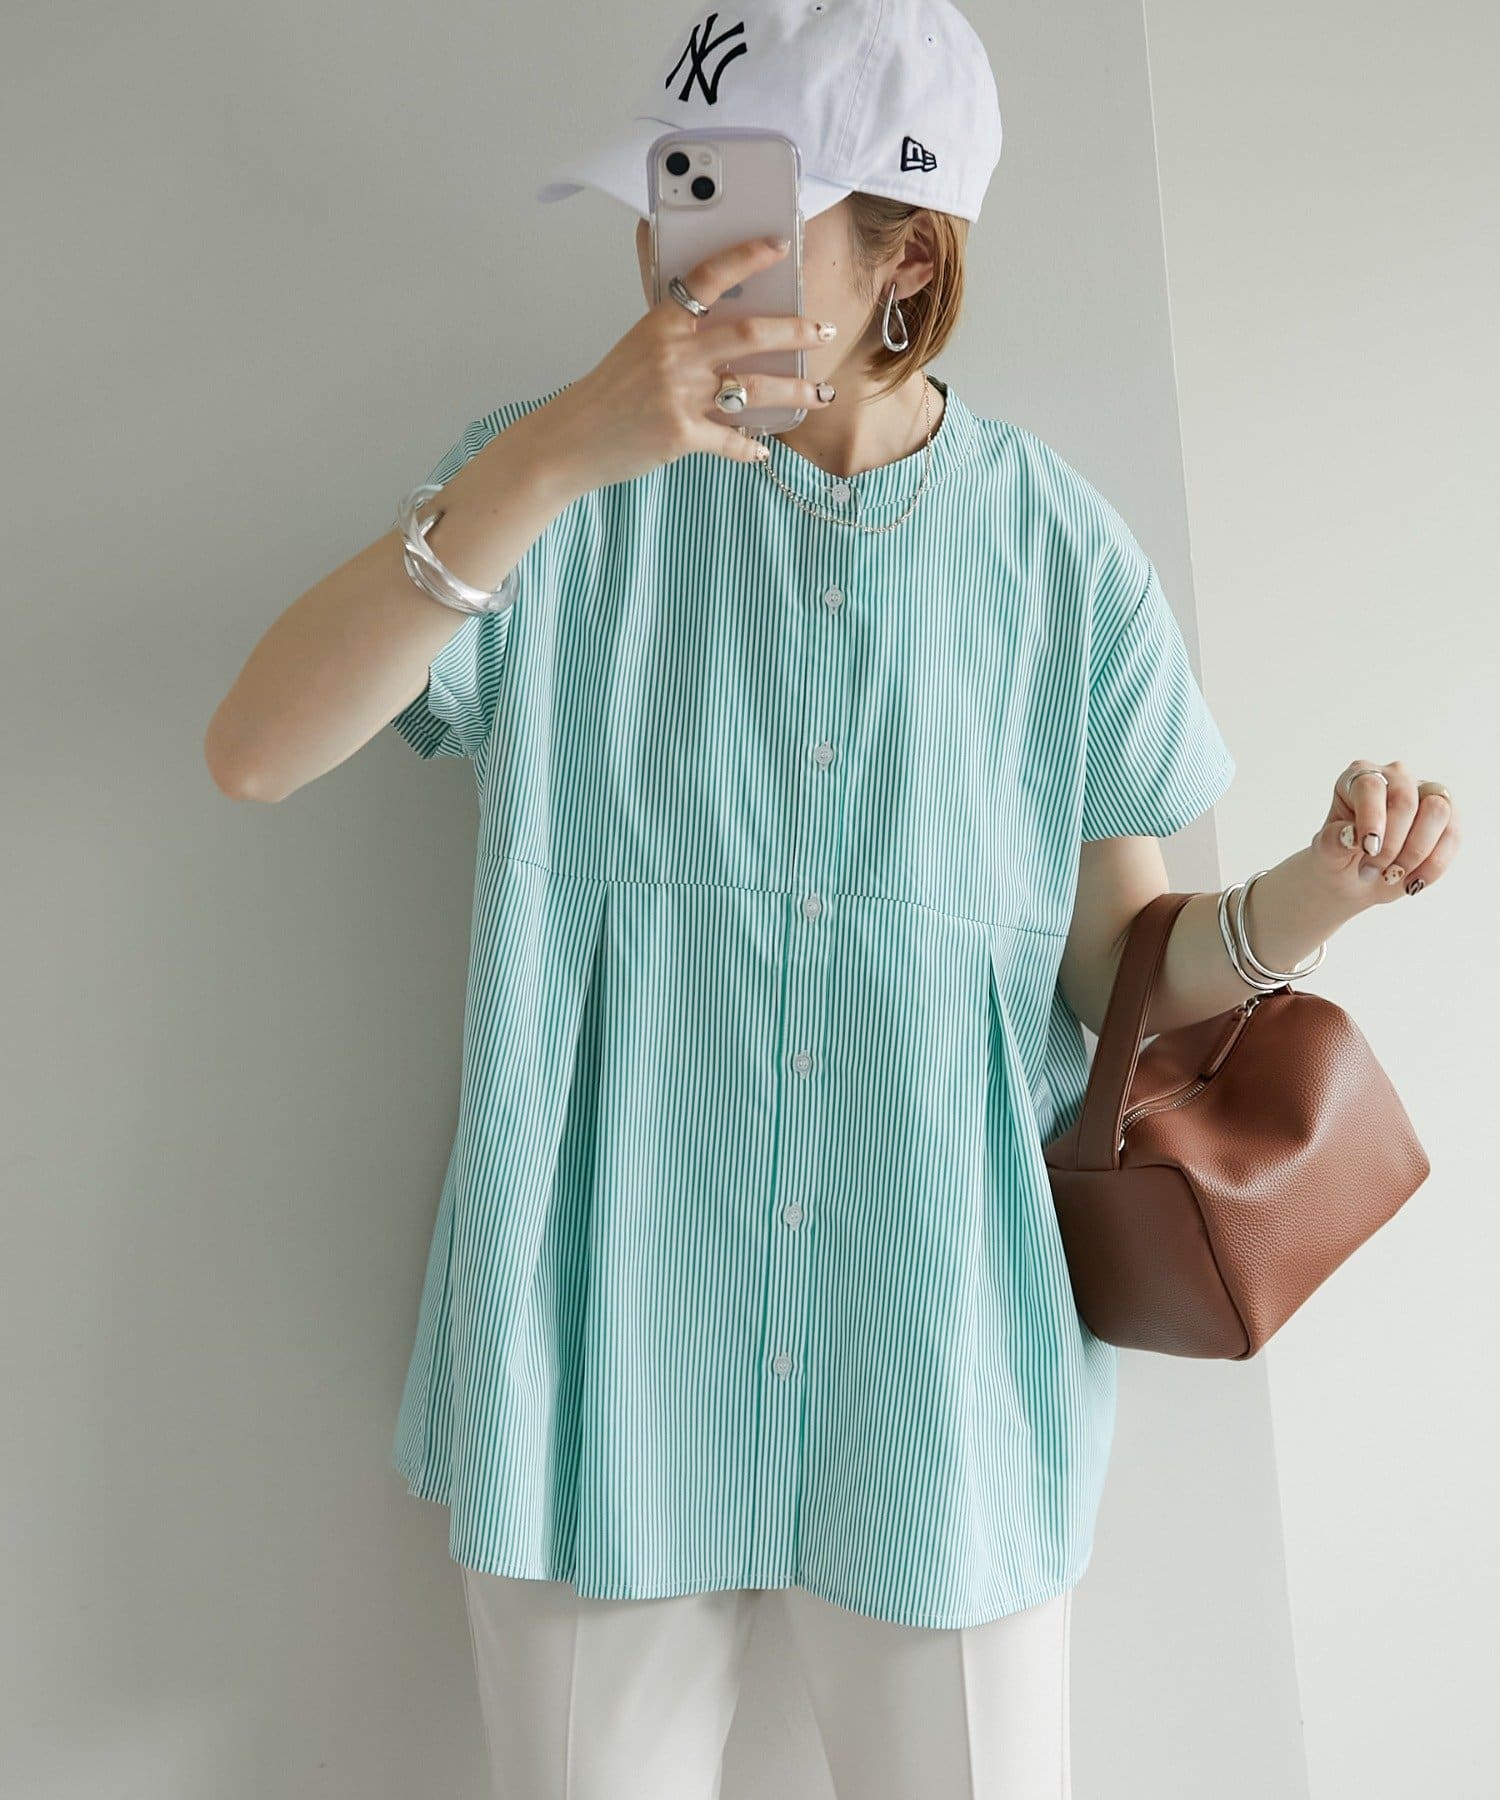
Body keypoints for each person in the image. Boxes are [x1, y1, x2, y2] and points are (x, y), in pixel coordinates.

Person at [204, 2, 1459, 1795]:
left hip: (939, 1353)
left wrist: (1316, 895)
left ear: (904, 258)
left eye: (736, 210)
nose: (677, 260)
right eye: (668, 198)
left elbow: (1119, 970)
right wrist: (544, 461)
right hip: (602, 1350)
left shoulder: (1056, 551)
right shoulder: (548, 492)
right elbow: (255, 750)